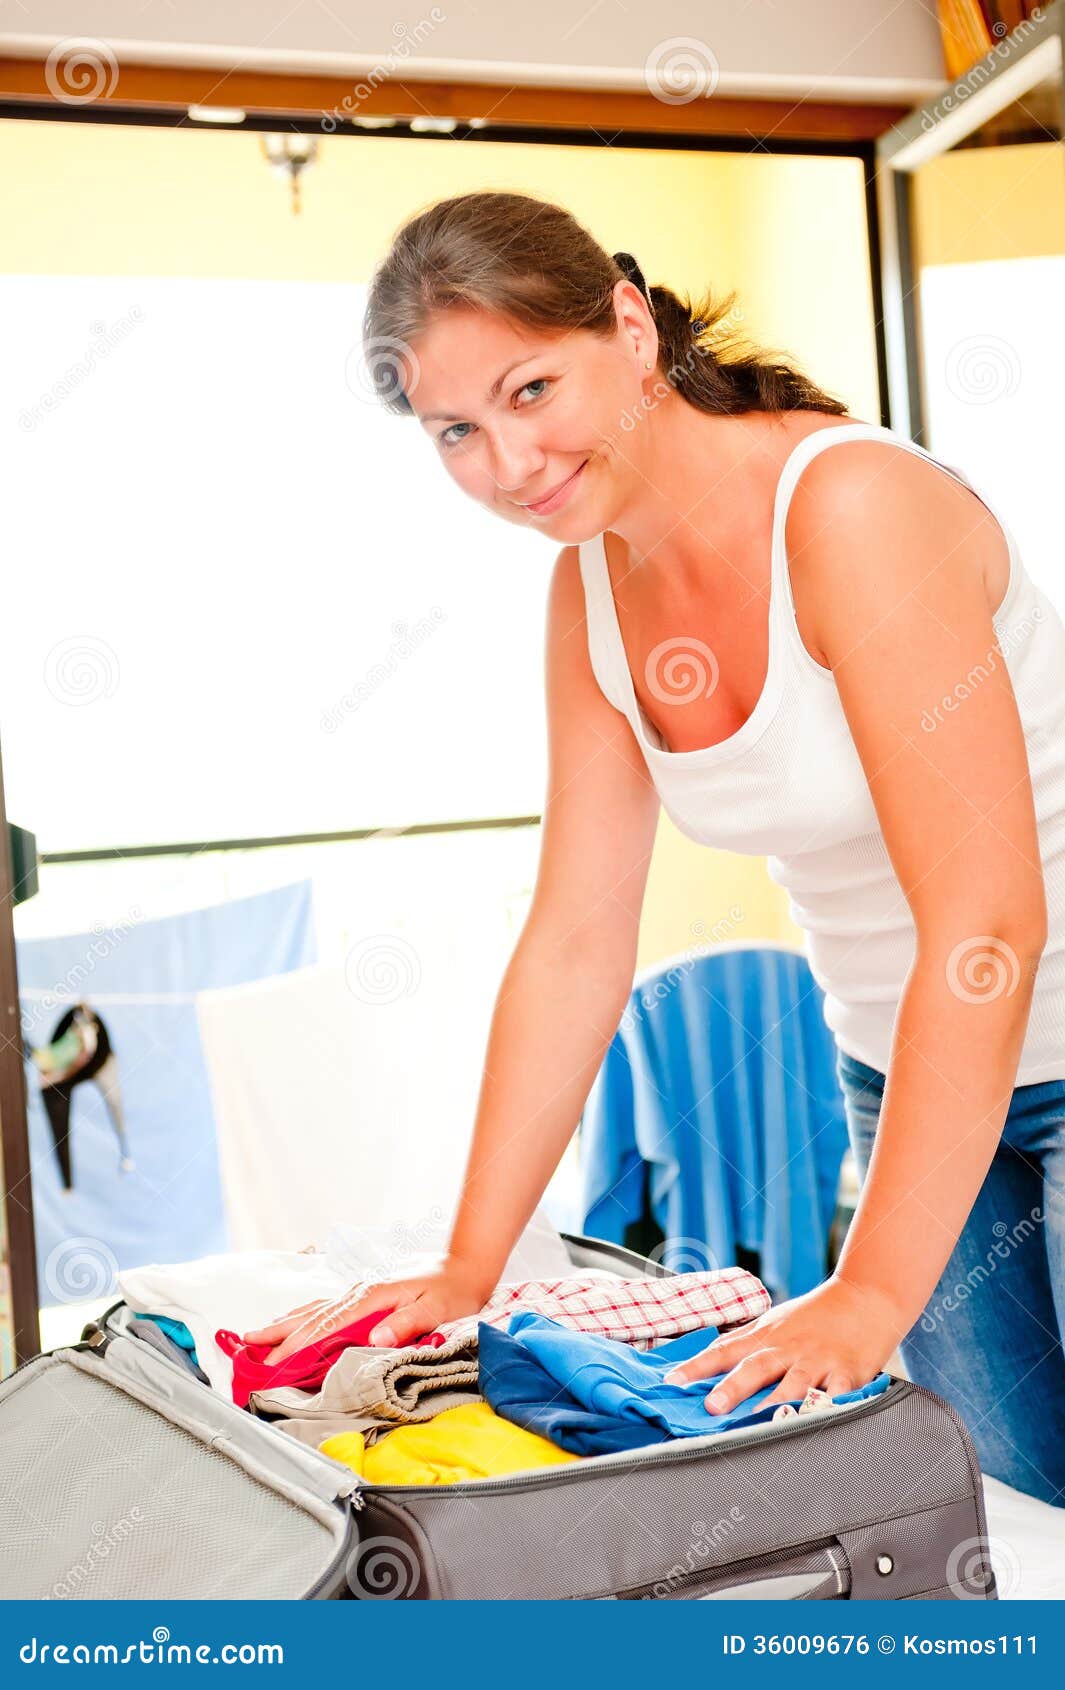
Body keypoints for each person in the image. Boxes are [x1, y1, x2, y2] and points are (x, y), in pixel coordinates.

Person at [244, 191, 1065, 1504]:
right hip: (903, 1073)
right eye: (457, 431)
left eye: (530, 390)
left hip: (1034, 1017)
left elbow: (988, 922)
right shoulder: (587, 594)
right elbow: (575, 939)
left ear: (629, 328)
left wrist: (866, 1290)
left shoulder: (848, 508)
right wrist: (469, 1264)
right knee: (1018, 1507)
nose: (510, 464)